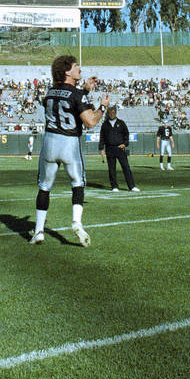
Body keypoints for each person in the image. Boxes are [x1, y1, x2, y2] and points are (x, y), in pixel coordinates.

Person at [29, 55, 108, 247]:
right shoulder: (77, 94)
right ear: (67, 72)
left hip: (49, 142)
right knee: (77, 183)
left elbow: (66, 96)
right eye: (75, 66)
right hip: (70, 143)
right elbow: (90, 121)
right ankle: (76, 222)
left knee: (44, 187)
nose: (79, 68)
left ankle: (39, 231)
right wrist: (102, 108)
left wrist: (85, 90)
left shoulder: (49, 92)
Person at [99, 105, 138, 192]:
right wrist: (101, 149)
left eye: (113, 112)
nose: (112, 114)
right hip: (109, 149)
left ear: (116, 113)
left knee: (126, 167)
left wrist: (125, 144)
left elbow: (126, 134)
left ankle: (132, 186)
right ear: (108, 113)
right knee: (112, 169)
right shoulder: (104, 125)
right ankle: (114, 186)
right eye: (110, 113)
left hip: (120, 148)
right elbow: (102, 137)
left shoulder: (121, 123)